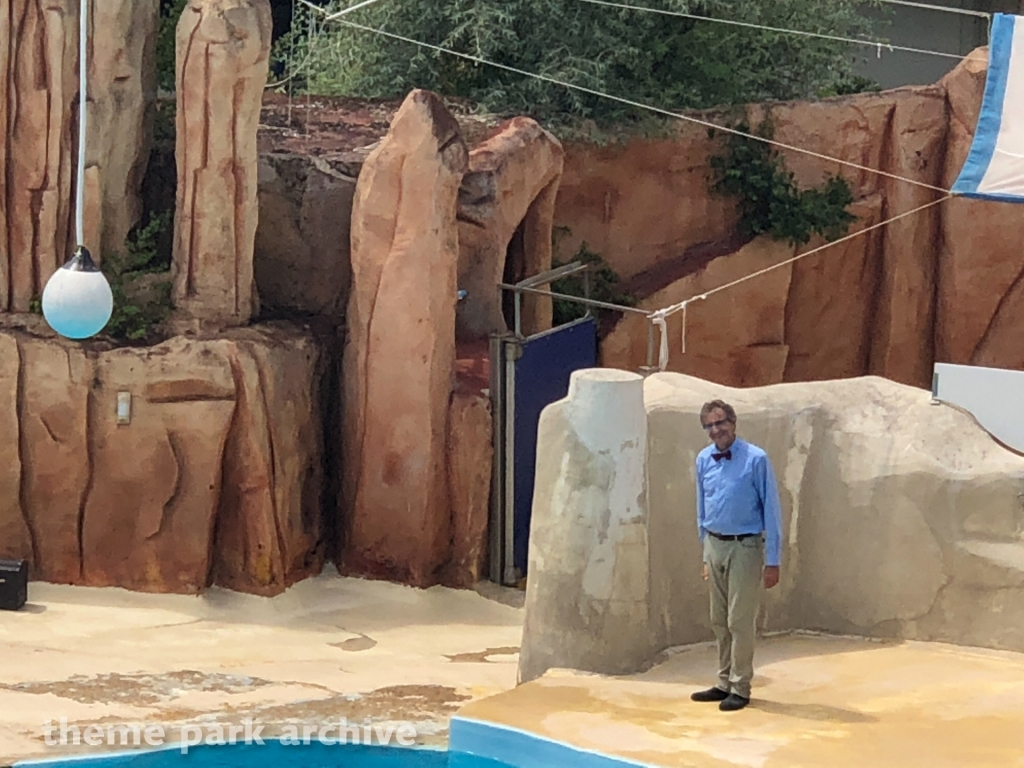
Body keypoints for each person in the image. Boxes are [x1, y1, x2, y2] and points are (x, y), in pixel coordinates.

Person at [690, 399, 782, 712]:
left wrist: (773, 559)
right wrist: (705, 552)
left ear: (733, 422)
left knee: (739, 620)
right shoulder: (704, 459)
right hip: (715, 544)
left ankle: (741, 687)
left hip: (745, 545)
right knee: (718, 619)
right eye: (710, 426)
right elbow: (701, 507)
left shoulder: (756, 459)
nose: (717, 430)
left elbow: (771, 509)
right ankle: (723, 681)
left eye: (721, 423)